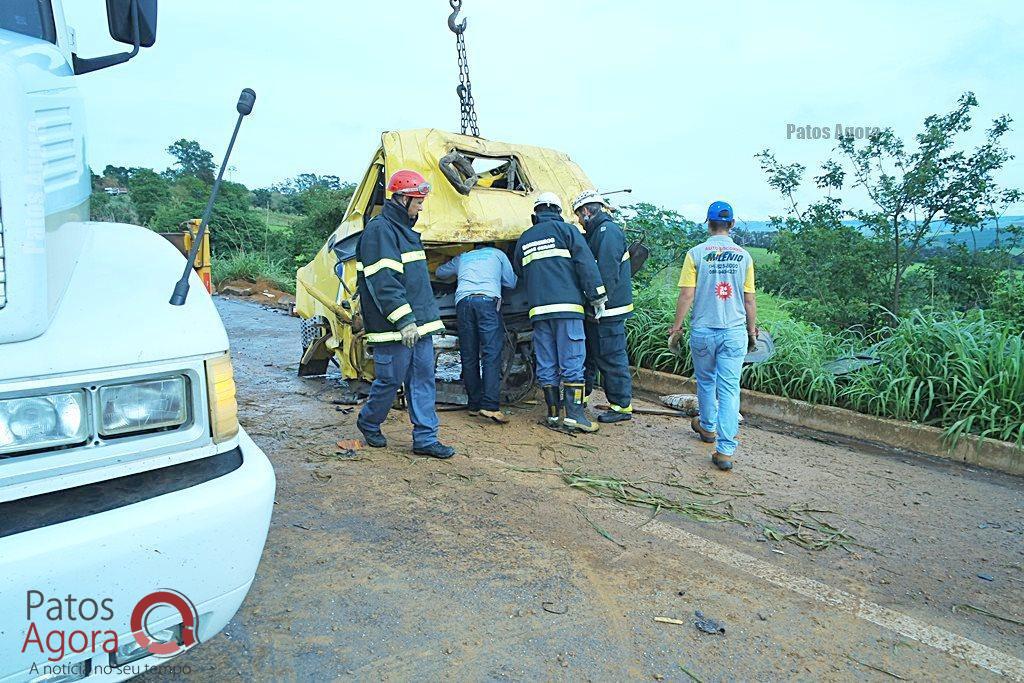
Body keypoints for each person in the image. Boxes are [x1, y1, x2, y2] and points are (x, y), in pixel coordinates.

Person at [355, 169, 455, 459]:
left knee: (423, 379)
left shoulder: (406, 232)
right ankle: (369, 421)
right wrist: (404, 320)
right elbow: (383, 281)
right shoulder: (380, 230)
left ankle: (426, 438)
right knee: (390, 379)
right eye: (417, 201)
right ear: (400, 198)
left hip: (418, 325)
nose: (421, 207)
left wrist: (420, 322)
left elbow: (416, 284)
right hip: (393, 327)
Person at [668, 200, 758, 471]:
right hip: (733, 332)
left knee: (706, 382)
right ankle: (726, 450)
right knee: (730, 389)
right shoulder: (744, 256)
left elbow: (686, 294)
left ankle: (708, 428)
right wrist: (752, 331)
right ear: (731, 224)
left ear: (708, 224)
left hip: (703, 331)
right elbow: (750, 299)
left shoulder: (695, 254)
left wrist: (676, 328)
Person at [514, 192, 606, 433]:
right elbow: (585, 264)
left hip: (539, 311)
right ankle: (575, 415)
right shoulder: (567, 231)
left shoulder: (524, 238)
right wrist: (597, 296)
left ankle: (553, 414)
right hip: (567, 308)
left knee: (547, 361)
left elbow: (520, 272)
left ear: (535, 214)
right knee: (572, 359)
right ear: (558, 211)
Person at [436, 243, 517, 423]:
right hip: (487, 302)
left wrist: (452, 264)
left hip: (463, 303)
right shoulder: (498, 254)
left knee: (469, 353)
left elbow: (440, 272)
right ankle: (489, 405)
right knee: (491, 353)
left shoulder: (464, 256)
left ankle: (473, 405)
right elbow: (511, 282)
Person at [572, 189, 634, 423]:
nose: (579, 220)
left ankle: (621, 407)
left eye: (579, 214)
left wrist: (598, 302)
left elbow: (607, 273)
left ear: (587, 211)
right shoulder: (597, 232)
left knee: (611, 356)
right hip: (598, 310)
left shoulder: (608, 233)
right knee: (589, 355)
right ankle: (582, 398)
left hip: (608, 310)